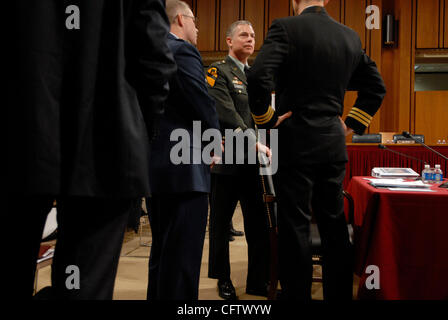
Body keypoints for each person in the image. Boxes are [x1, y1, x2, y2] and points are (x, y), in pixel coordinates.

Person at [6, 0, 176, 299]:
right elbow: (154, 58)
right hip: (107, 141)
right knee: (84, 287)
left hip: (21, 132)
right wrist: (138, 134)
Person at [246, 0, 386, 300]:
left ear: (294, 1)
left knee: (295, 224)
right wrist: (349, 125)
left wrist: (267, 120)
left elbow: (257, 77)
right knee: (333, 223)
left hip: (295, 140)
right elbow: (376, 87)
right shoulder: (349, 35)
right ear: (326, 1)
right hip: (333, 143)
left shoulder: (285, 28)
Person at [146, 0, 220, 300]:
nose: (198, 28)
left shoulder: (150, 51)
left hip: (156, 167)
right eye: (195, 21)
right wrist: (214, 142)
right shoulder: (182, 50)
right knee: (183, 260)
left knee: (162, 255)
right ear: (180, 19)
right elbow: (202, 102)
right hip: (187, 168)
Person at [206, 20, 270, 300]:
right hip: (228, 159)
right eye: (244, 34)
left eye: (253, 35)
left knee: (258, 225)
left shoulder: (255, 75)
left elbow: (261, 115)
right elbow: (226, 114)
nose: (250, 39)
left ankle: (258, 281)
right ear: (229, 41)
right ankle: (223, 279)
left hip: (255, 163)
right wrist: (253, 140)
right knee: (220, 224)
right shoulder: (217, 71)